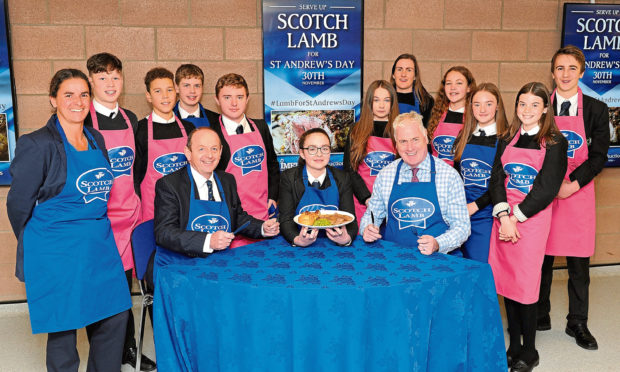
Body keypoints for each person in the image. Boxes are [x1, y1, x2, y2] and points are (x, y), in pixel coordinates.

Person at [7, 69, 131, 371]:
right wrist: (39, 245)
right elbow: (18, 204)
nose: (78, 101)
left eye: (83, 94)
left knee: (114, 318)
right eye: (68, 94)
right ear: (53, 100)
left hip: (98, 248)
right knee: (64, 332)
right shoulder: (37, 144)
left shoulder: (96, 138)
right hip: (57, 251)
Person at [488, 82, 568, 371]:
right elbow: (496, 179)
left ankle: (530, 350)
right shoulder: (506, 137)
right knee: (507, 282)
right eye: (522, 104)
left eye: (535, 104)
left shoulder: (556, 143)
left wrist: (515, 218)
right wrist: (503, 216)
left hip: (531, 221)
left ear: (545, 108)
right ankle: (514, 346)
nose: (527, 110)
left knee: (526, 284)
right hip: (503, 219)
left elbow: (547, 189)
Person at [84, 53, 156, 371]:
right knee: (100, 291)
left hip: (128, 219)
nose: (110, 83)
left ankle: (128, 350)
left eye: (115, 77)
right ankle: (104, 355)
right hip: (97, 223)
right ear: (91, 82)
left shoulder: (131, 118)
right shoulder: (82, 120)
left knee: (124, 290)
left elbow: (137, 169)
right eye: (102, 77)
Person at [537, 46, 610, 350]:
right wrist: (549, 186)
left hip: (577, 195)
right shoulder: (539, 107)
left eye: (571, 68)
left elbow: (599, 156)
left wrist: (572, 185)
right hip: (543, 195)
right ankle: (539, 315)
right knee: (540, 259)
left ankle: (577, 322)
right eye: (559, 68)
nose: (565, 74)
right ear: (552, 73)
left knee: (579, 264)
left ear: (581, 72)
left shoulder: (596, 109)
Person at [153, 127, 279, 275]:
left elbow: (237, 217)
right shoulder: (169, 184)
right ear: (188, 153)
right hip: (180, 265)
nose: (209, 155)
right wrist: (208, 241)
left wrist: (263, 227)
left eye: (214, 149)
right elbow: (164, 232)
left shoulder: (227, 180)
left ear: (221, 152)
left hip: (219, 262)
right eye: (201, 149)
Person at [360, 112, 470, 255]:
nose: (410, 148)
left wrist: (438, 244)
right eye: (403, 141)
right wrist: (367, 228)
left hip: (438, 262)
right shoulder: (386, 175)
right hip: (395, 259)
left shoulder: (449, 176)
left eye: (415, 139)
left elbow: (462, 227)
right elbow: (372, 214)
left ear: (426, 138)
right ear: (396, 143)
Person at [208, 73, 280, 247]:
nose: (234, 103)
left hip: (263, 214)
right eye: (227, 97)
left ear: (247, 99)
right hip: (229, 218)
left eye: (239, 97)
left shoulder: (261, 126)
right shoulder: (211, 134)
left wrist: (272, 195)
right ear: (217, 100)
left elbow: (272, 164)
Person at [453, 83, 508, 263]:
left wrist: (475, 206)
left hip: (486, 214)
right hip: (460, 212)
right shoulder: (464, 136)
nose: (482, 109)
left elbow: (499, 183)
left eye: (488, 103)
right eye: (477, 104)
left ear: (498, 105)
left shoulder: (505, 139)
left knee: (481, 266)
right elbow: (456, 176)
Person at [134, 67, 195, 223]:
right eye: (158, 91)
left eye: (169, 90)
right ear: (148, 96)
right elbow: (135, 178)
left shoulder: (189, 129)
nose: (165, 96)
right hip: (153, 212)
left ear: (176, 91)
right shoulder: (139, 130)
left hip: (187, 209)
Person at [279, 128, 358, 246]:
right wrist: (297, 240)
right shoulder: (289, 178)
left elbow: (350, 218)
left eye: (325, 148)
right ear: (302, 153)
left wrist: (346, 239)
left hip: (334, 246)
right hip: (301, 248)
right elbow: (286, 219)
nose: (319, 154)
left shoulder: (342, 178)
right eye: (312, 149)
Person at [343, 80, 399, 223]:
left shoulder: (400, 131)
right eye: (376, 100)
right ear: (369, 102)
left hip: (393, 202)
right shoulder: (356, 130)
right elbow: (349, 169)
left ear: (392, 103)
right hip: (362, 202)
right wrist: (366, 198)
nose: (381, 105)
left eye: (386, 100)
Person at [427, 66, 476, 167]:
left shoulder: (475, 117)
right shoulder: (436, 114)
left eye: (459, 83)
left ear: (469, 88)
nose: (453, 87)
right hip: (435, 174)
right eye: (448, 83)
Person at [390, 53, 434, 126]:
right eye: (399, 69)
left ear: (415, 76)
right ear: (393, 74)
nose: (403, 74)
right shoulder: (384, 99)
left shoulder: (426, 102)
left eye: (409, 70)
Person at [172, 63, 219, 128]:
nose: (192, 91)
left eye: (197, 86)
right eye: (186, 85)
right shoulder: (166, 120)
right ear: (176, 88)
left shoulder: (217, 120)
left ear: (202, 88)